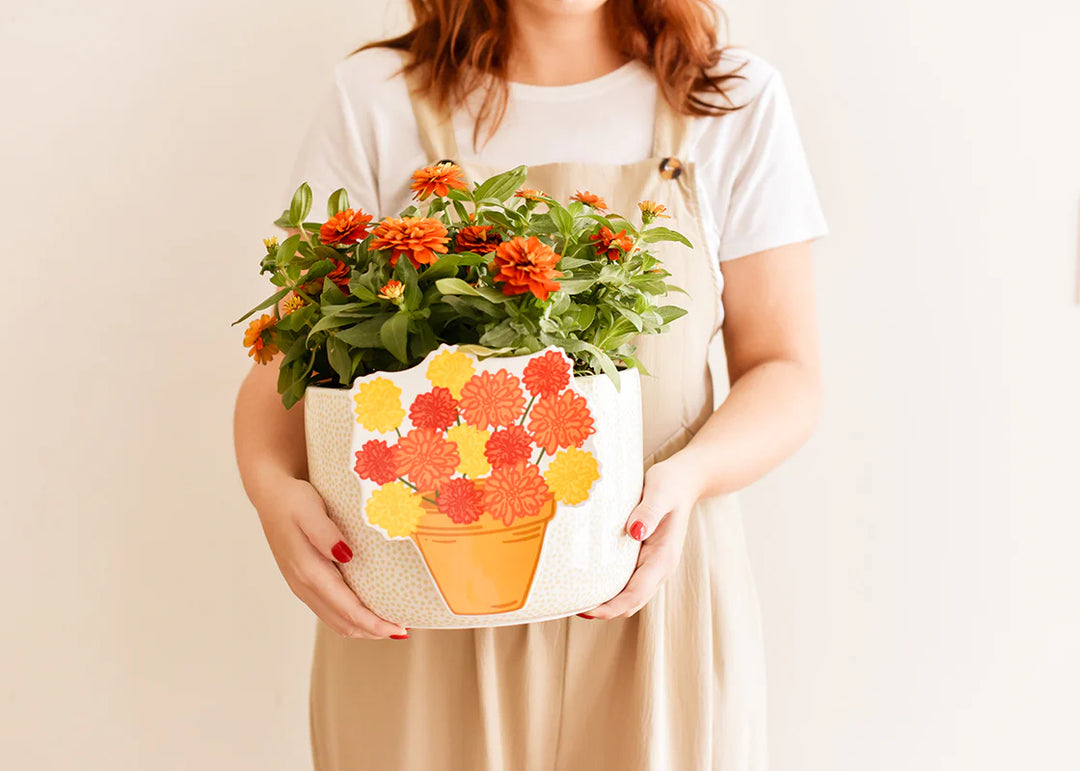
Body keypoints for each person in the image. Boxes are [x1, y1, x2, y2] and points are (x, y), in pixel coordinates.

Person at [233, 0, 827, 767]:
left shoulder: (730, 100)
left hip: (647, 601)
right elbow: (285, 357)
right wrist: (269, 489)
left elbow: (787, 368)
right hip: (420, 601)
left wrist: (690, 476)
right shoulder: (376, 96)